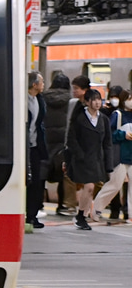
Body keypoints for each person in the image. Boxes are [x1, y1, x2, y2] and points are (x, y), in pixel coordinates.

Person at [66, 88, 116, 230]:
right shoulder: (79, 118)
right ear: (87, 102)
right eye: (93, 99)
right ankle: (81, 216)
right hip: (82, 159)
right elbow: (71, 139)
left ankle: (82, 216)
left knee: (90, 189)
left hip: (96, 159)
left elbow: (107, 144)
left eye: (99, 99)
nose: (97, 102)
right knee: (89, 187)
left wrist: (109, 165)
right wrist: (79, 154)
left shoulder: (103, 120)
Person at [93, 86, 132, 224]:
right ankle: (96, 210)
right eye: (129, 99)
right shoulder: (118, 115)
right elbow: (108, 135)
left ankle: (130, 215)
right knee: (114, 185)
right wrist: (123, 135)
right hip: (119, 156)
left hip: (131, 156)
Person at [42, 72, 73, 215]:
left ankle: (38, 204)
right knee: (63, 174)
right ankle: (62, 205)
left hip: (45, 138)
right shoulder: (70, 100)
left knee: (42, 172)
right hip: (63, 140)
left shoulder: (43, 97)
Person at [60, 74, 91, 214]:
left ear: (85, 90)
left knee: (92, 180)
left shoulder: (92, 104)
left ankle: (89, 206)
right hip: (74, 146)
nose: (74, 91)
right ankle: (71, 205)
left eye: (77, 88)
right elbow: (69, 126)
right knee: (69, 175)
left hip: (89, 148)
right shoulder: (73, 104)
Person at [26, 71, 47, 229]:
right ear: (34, 85)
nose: (43, 84)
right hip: (23, 146)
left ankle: (32, 215)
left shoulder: (39, 100)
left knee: (36, 182)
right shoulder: (23, 100)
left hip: (35, 146)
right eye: (42, 82)